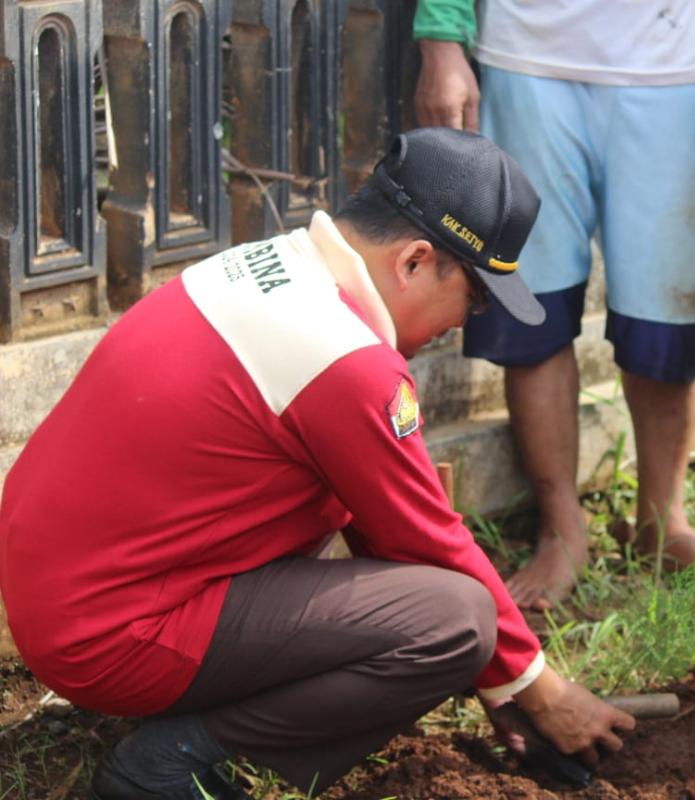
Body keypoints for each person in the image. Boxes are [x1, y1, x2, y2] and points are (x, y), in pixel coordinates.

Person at [0, 128, 634, 800]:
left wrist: (500, 683)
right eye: (474, 298)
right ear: (415, 261)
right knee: (457, 620)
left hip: (65, 601)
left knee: (443, 610)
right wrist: (543, 691)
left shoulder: (266, 266)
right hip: (113, 637)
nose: (464, 323)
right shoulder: (345, 359)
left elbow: (382, 521)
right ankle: (169, 763)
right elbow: (427, 541)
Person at [410, 0, 695, 609]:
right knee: (532, 306)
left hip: (678, 61)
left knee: (670, 312)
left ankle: (663, 523)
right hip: (527, 54)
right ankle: (561, 529)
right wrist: (441, 37)